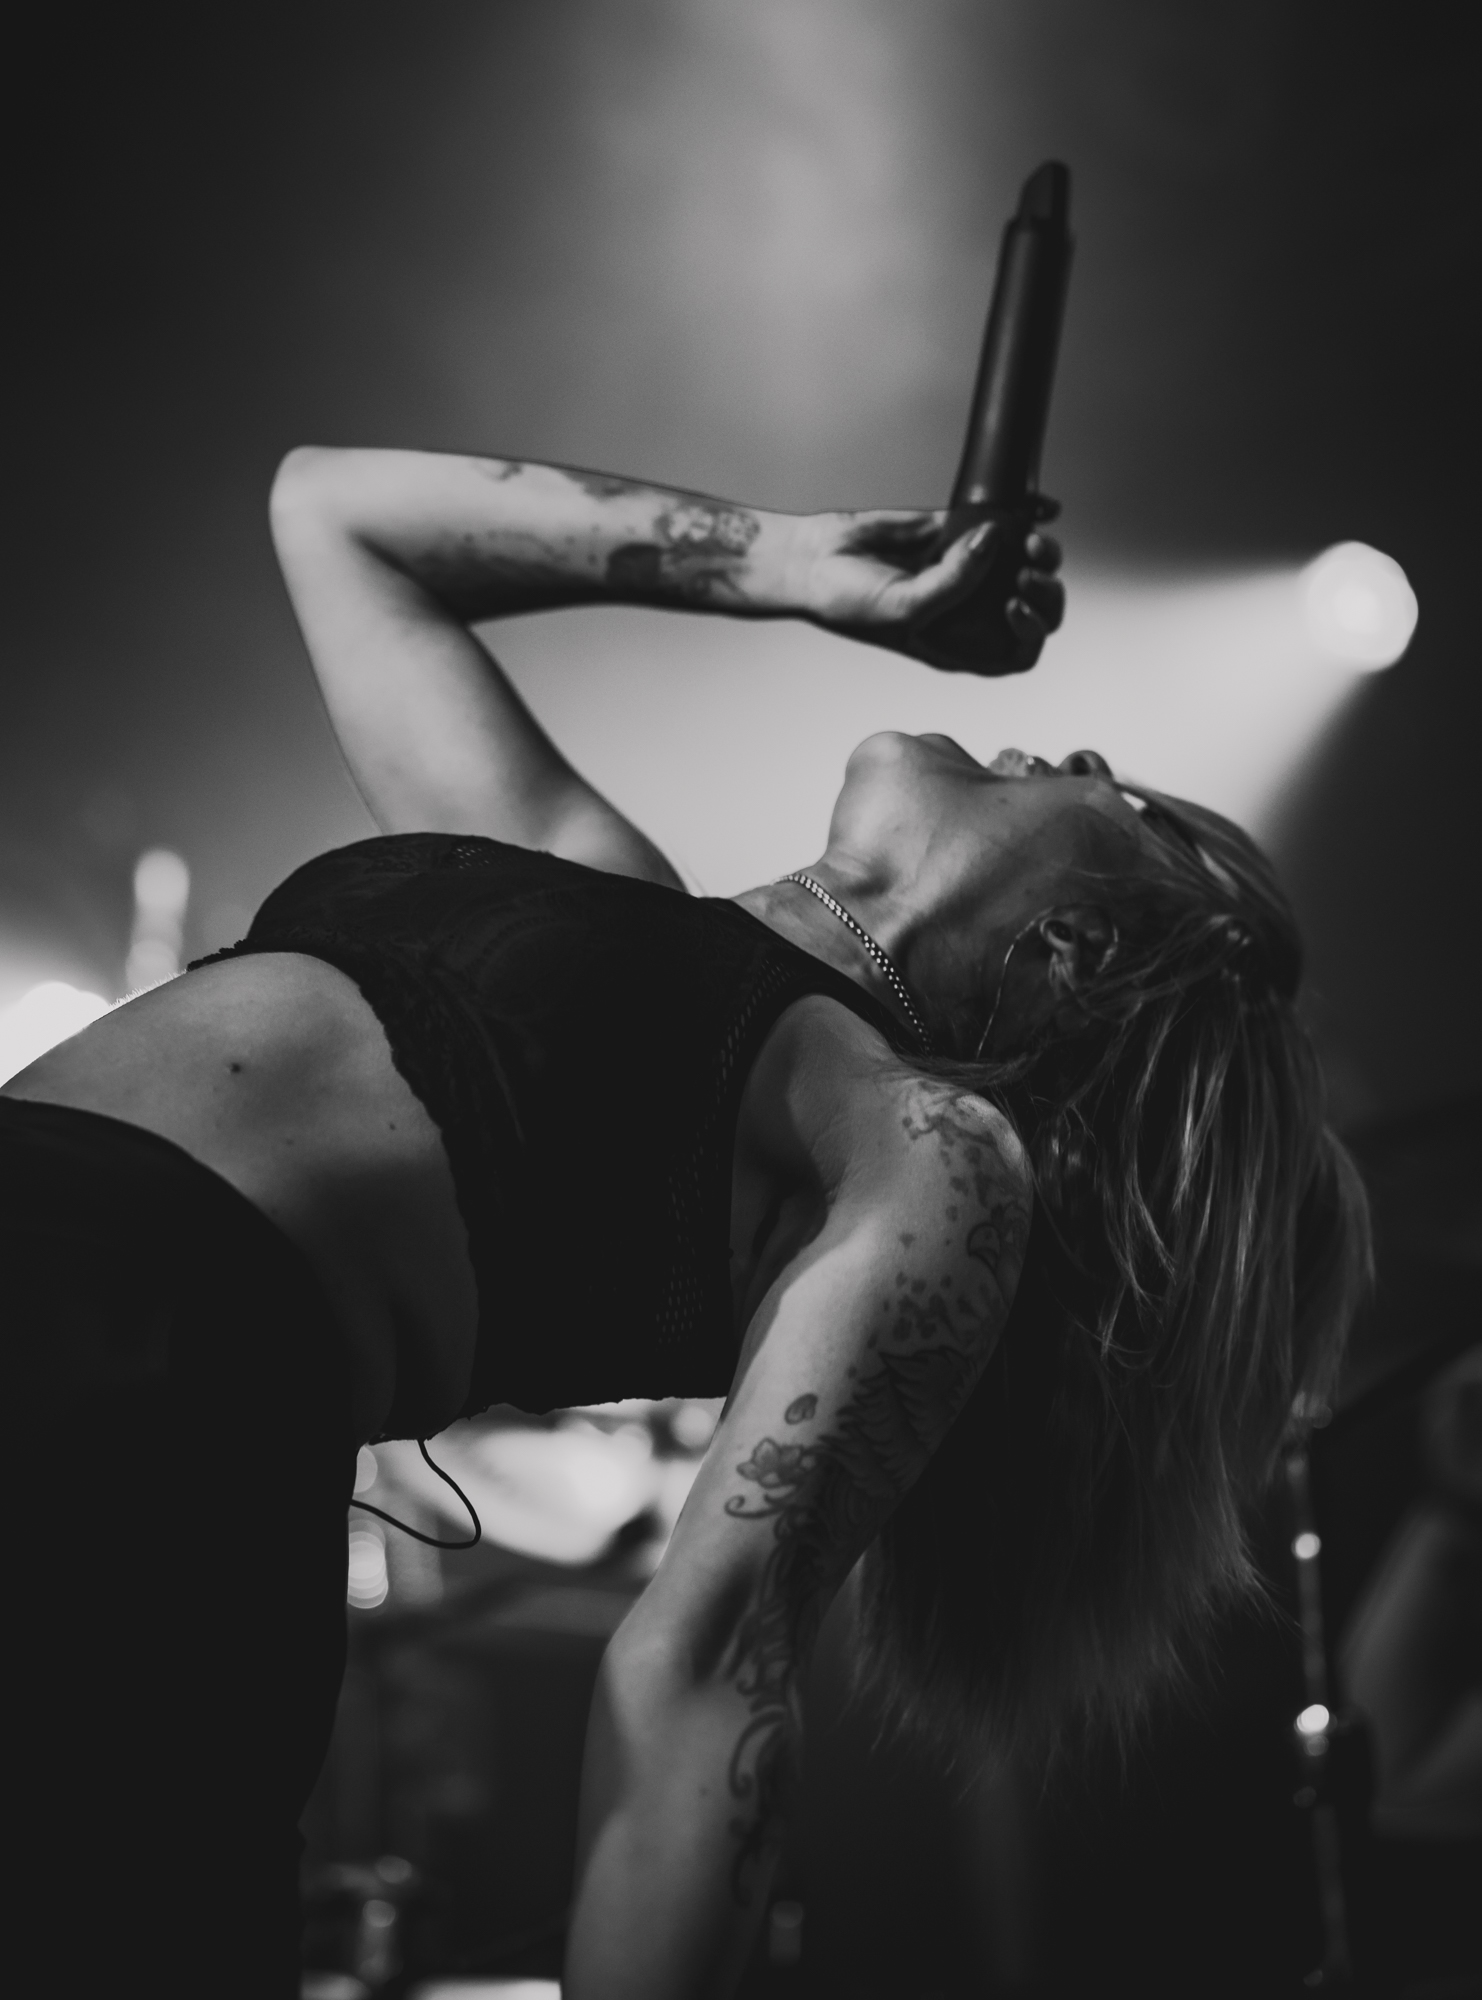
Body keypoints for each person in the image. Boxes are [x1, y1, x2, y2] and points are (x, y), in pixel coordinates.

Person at [2, 449, 1368, 1998]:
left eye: (1108, 791)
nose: (1067, 747)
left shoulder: (918, 1150)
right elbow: (335, 515)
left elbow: (706, 1671)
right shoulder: (587, 880)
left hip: (117, 1432)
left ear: (1073, 946)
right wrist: (801, 569)